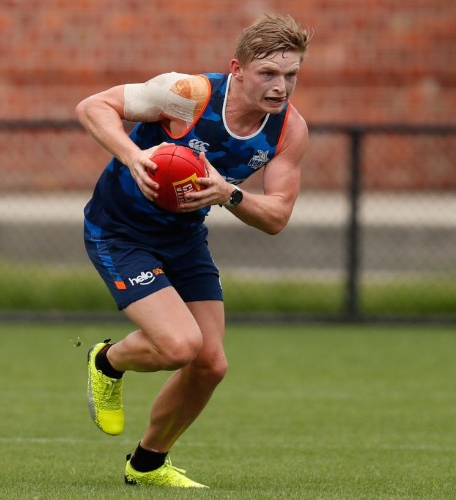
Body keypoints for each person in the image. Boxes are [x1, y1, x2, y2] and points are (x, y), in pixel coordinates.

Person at [75, 12, 312, 488]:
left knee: (211, 364)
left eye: (291, 75)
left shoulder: (287, 131)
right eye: (268, 73)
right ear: (238, 69)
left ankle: (146, 464)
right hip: (119, 232)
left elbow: (277, 216)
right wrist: (133, 155)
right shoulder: (189, 96)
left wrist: (230, 194)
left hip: (184, 238)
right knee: (180, 346)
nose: (280, 87)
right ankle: (108, 361)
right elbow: (93, 106)